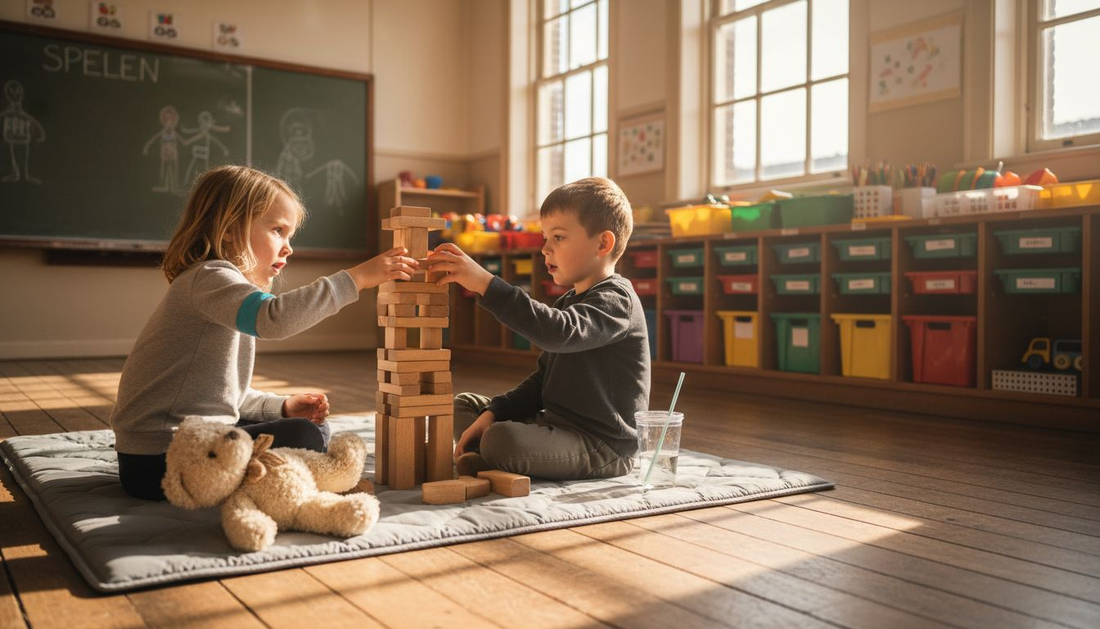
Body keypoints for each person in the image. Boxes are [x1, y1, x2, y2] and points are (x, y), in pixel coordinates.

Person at [110, 165, 417, 500]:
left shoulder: (221, 287)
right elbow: (274, 319)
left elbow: (225, 395)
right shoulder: (211, 276)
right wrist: (355, 279)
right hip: (160, 459)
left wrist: (281, 407)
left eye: (290, 236)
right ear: (229, 229)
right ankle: (294, 482)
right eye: (278, 231)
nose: (288, 248)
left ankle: (284, 474)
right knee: (306, 435)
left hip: (169, 452)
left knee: (308, 428)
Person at [426, 177, 650, 480]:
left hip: (601, 446)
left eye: (558, 237)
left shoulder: (617, 301)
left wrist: (485, 283)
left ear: (603, 243)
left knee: (501, 438)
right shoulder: (569, 301)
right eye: (545, 238)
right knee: (466, 405)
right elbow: (544, 380)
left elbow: (559, 332)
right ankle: (487, 458)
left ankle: (489, 455)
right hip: (554, 425)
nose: (545, 249)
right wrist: (494, 412)